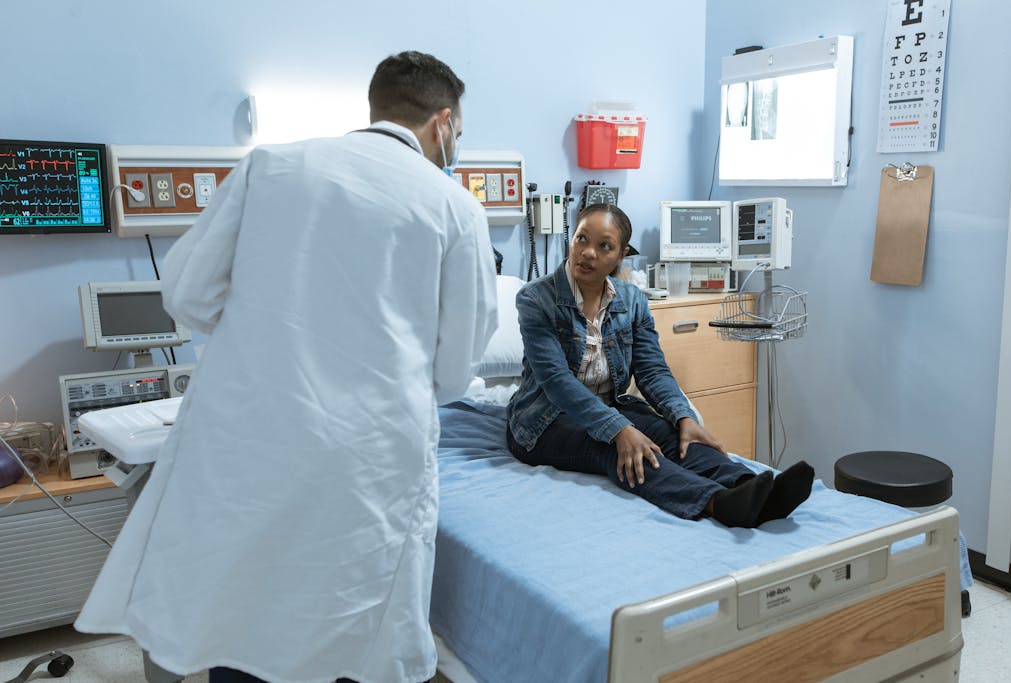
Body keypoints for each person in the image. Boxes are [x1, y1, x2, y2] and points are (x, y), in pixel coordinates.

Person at [75, 51, 498, 683]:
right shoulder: (454, 208)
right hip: (368, 461)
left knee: (239, 610)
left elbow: (188, 294)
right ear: (442, 123)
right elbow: (455, 370)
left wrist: (267, 339)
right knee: (346, 626)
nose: (455, 145)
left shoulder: (269, 167)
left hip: (251, 441)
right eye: (458, 135)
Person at [506, 203, 812, 528]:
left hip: (611, 406)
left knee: (675, 436)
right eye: (582, 239)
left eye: (604, 246)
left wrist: (684, 416)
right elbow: (557, 383)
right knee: (618, 448)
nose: (588, 252)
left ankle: (751, 489)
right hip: (544, 422)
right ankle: (715, 502)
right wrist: (621, 430)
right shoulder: (535, 300)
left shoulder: (632, 300)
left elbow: (652, 370)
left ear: (621, 254)